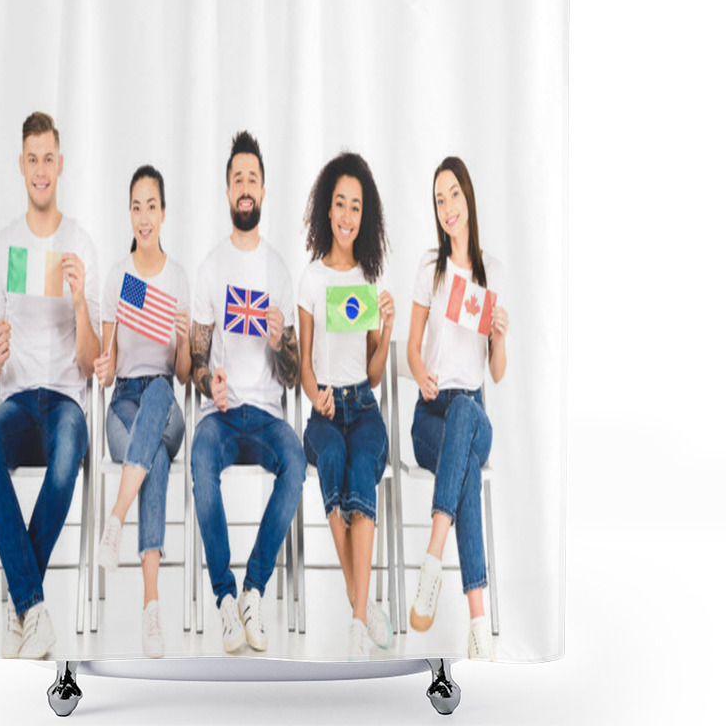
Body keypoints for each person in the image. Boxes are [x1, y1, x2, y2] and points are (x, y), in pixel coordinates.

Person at [0, 112, 100, 659]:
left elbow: (93, 360)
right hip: (19, 402)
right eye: (33, 159)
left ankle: (20, 602)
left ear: (61, 165)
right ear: (21, 165)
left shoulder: (81, 242)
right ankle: (33, 605)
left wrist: (78, 301)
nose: (41, 169)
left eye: (50, 158)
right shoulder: (3, 245)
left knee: (71, 450)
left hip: (67, 400)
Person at [190, 131, 306, 654]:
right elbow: (195, 355)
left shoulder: (279, 271)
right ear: (226, 190)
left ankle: (254, 590)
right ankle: (223, 599)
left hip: (266, 415)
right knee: (199, 458)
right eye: (236, 178)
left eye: (252, 179)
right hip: (222, 412)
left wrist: (282, 342)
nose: (244, 187)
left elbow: (292, 372)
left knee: (297, 461)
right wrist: (204, 377)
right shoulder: (212, 267)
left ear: (263, 191)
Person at [407, 156, 509, 660]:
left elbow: (497, 371)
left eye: (453, 194)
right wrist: (421, 372)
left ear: (468, 197)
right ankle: (478, 623)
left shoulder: (489, 273)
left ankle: (432, 557)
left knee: (469, 414)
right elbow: (410, 347)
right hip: (431, 414)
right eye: (439, 198)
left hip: (470, 411)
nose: (447, 206)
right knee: (464, 462)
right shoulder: (431, 268)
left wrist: (500, 336)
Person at [298, 152, 395, 660]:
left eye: (356, 206)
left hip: (364, 405)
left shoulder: (367, 278)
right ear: (326, 210)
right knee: (332, 458)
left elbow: (375, 371)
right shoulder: (312, 279)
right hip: (324, 412)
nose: (347, 215)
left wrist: (387, 334)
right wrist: (316, 393)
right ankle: (362, 601)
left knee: (361, 464)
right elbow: (305, 364)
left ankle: (357, 617)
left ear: (366, 215)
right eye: (340, 204)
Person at [94, 165, 191, 659]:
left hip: (163, 398)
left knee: (157, 393)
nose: (144, 216)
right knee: (149, 456)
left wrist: (180, 338)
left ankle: (116, 517)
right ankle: (152, 607)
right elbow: (106, 370)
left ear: (164, 212)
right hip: (122, 404)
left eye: (151, 205)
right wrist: (106, 365)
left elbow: (182, 371)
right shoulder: (120, 276)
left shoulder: (177, 277)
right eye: (136, 206)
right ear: (129, 215)